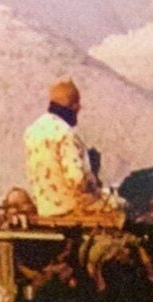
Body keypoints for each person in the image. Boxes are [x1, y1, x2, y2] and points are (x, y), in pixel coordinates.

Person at [21, 79, 117, 226]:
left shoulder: (32, 131)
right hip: (68, 207)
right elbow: (76, 180)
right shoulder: (65, 134)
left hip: (45, 207)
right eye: (77, 105)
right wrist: (94, 183)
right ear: (74, 106)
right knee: (123, 205)